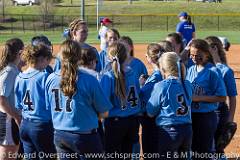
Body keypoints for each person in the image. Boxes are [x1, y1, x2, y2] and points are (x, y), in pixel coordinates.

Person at [45, 40, 112, 159]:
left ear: (61, 56)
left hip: (60, 135)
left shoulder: (50, 78)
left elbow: (48, 107)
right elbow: (104, 112)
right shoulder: (89, 79)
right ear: (78, 56)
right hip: (85, 136)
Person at [146, 52, 192, 159]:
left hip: (169, 131)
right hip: (187, 130)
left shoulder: (161, 86)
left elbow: (150, 112)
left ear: (163, 68)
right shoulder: (187, 84)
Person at [186, 39, 226, 159]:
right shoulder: (191, 69)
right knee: (192, 150)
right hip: (191, 116)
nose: (194, 57)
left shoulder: (213, 72)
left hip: (206, 117)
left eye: (198, 55)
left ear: (207, 54)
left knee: (204, 151)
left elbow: (222, 96)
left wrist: (198, 98)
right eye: (192, 54)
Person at [100, 41, 140, 160]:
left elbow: (103, 103)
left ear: (109, 57)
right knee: (126, 154)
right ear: (126, 56)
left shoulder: (109, 76)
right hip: (133, 121)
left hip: (115, 123)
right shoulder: (132, 73)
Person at [14, 44, 56, 158]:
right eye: (48, 60)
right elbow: (52, 103)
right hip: (41, 126)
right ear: (42, 59)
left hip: (25, 125)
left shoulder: (19, 76)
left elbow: (18, 104)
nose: (48, 64)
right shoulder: (44, 76)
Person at [205, 36, 237, 157]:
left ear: (214, 49)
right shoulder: (201, 68)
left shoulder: (225, 70)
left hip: (219, 113)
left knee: (217, 149)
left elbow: (232, 97)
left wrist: (230, 120)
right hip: (203, 113)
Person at [0, 38, 23, 160]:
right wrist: (16, 117)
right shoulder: (9, 71)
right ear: (19, 53)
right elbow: (1, 100)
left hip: (11, 119)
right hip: (8, 120)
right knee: (8, 155)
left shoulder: (13, 69)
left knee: (13, 153)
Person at [139, 43, 164, 158]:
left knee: (150, 152)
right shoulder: (165, 73)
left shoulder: (156, 76)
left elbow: (144, 97)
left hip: (151, 120)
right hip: (162, 119)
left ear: (149, 58)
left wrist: (141, 85)